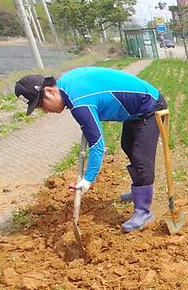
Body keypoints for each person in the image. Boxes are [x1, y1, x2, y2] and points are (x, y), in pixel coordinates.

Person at [14, 67, 167, 233]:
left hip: (150, 106)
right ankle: (138, 191)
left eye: (41, 105)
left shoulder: (79, 101)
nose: (45, 111)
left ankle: (143, 212)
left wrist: (87, 180)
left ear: (49, 91)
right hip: (135, 112)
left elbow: (98, 145)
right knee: (127, 145)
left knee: (141, 157)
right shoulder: (68, 87)